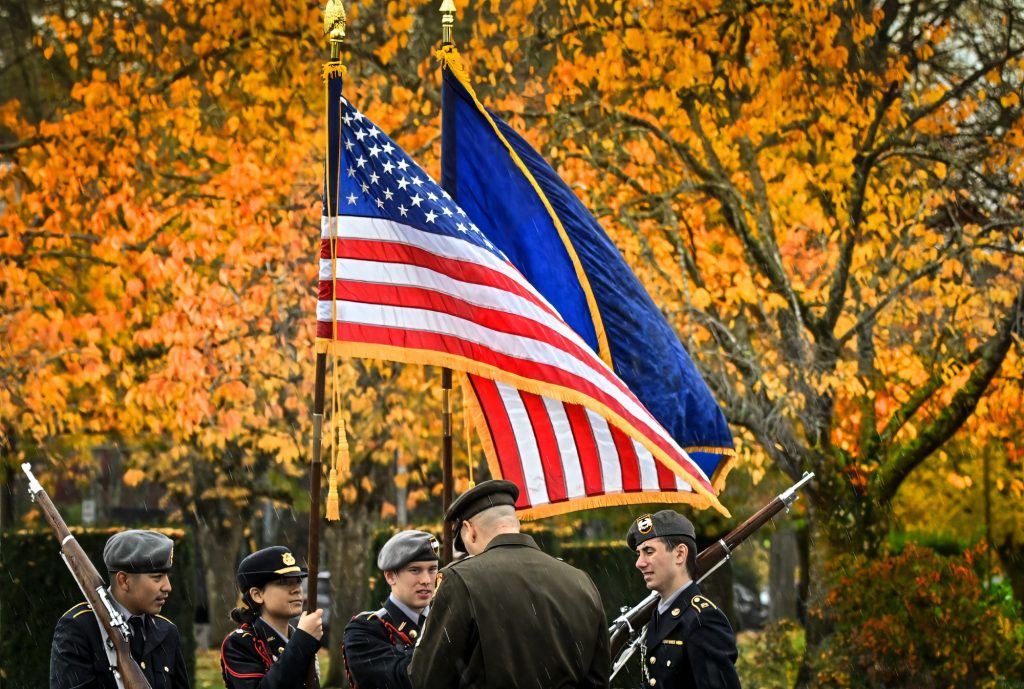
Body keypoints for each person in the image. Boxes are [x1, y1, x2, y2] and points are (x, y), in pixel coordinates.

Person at [408, 480, 610, 689]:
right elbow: (599, 679)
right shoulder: (580, 581)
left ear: (469, 530)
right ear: (516, 524)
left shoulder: (460, 580)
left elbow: (425, 679)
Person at [50, 529, 190, 689]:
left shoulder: (166, 631)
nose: (168, 586)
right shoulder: (80, 628)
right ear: (123, 580)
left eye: (166, 576)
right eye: (157, 577)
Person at [627, 510, 741, 689]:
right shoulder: (659, 614)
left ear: (680, 554)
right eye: (639, 553)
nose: (639, 563)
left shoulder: (703, 620)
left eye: (649, 551)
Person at [343, 530, 440, 689]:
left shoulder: (446, 620)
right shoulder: (364, 629)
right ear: (390, 576)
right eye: (415, 570)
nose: (426, 580)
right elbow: (399, 679)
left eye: (432, 569)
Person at [220, 546, 324, 689]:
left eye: (298, 580)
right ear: (257, 595)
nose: (297, 589)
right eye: (284, 582)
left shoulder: (297, 636)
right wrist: (302, 641)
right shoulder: (239, 643)